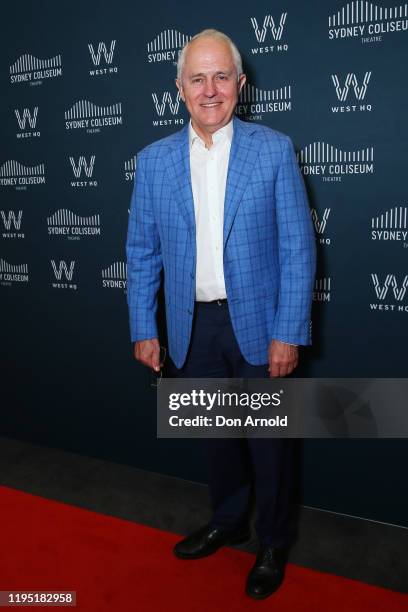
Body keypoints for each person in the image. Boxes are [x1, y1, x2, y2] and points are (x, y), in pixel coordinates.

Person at [126, 29, 316, 600]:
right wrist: (143, 327)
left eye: (222, 76)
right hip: (192, 328)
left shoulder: (274, 148)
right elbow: (141, 253)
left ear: (241, 84)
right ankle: (229, 520)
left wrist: (288, 331)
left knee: (270, 444)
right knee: (215, 438)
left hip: (260, 325)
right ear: (179, 89)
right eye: (197, 78)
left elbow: (298, 247)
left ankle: (274, 540)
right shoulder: (153, 161)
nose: (211, 90)